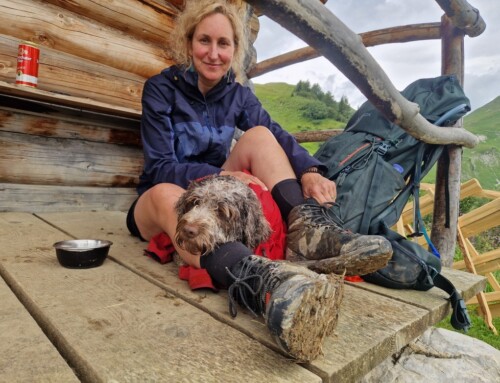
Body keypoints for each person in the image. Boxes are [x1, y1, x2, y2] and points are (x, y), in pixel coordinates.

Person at [126, 0, 391, 362]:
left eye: (224, 44)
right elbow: (159, 166)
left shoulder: (236, 93)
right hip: (161, 198)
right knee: (164, 194)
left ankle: (307, 232)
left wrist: (311, 170)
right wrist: (218, 174)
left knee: (261, 136)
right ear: (189, 43)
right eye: (205, 41)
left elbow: (277, 134)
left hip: (213, 204)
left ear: (236, 50)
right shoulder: (160, 89)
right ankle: (262, 282)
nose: (214, 54)